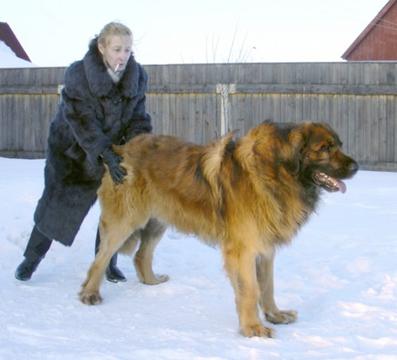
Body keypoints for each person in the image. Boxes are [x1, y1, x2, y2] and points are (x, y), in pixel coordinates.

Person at [15, 22, 152, 283]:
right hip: (72, 152)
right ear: (102, 47)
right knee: (57, 206)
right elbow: (80, 120)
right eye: (116, 49)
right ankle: (31, 259)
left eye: (127, 50)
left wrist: (133, 149)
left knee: (114, 211)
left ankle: (108, 263)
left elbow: (138, 118)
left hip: (113, 152)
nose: (122, 55)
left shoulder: (137, 76)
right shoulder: (79, 74)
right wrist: (103, 153)